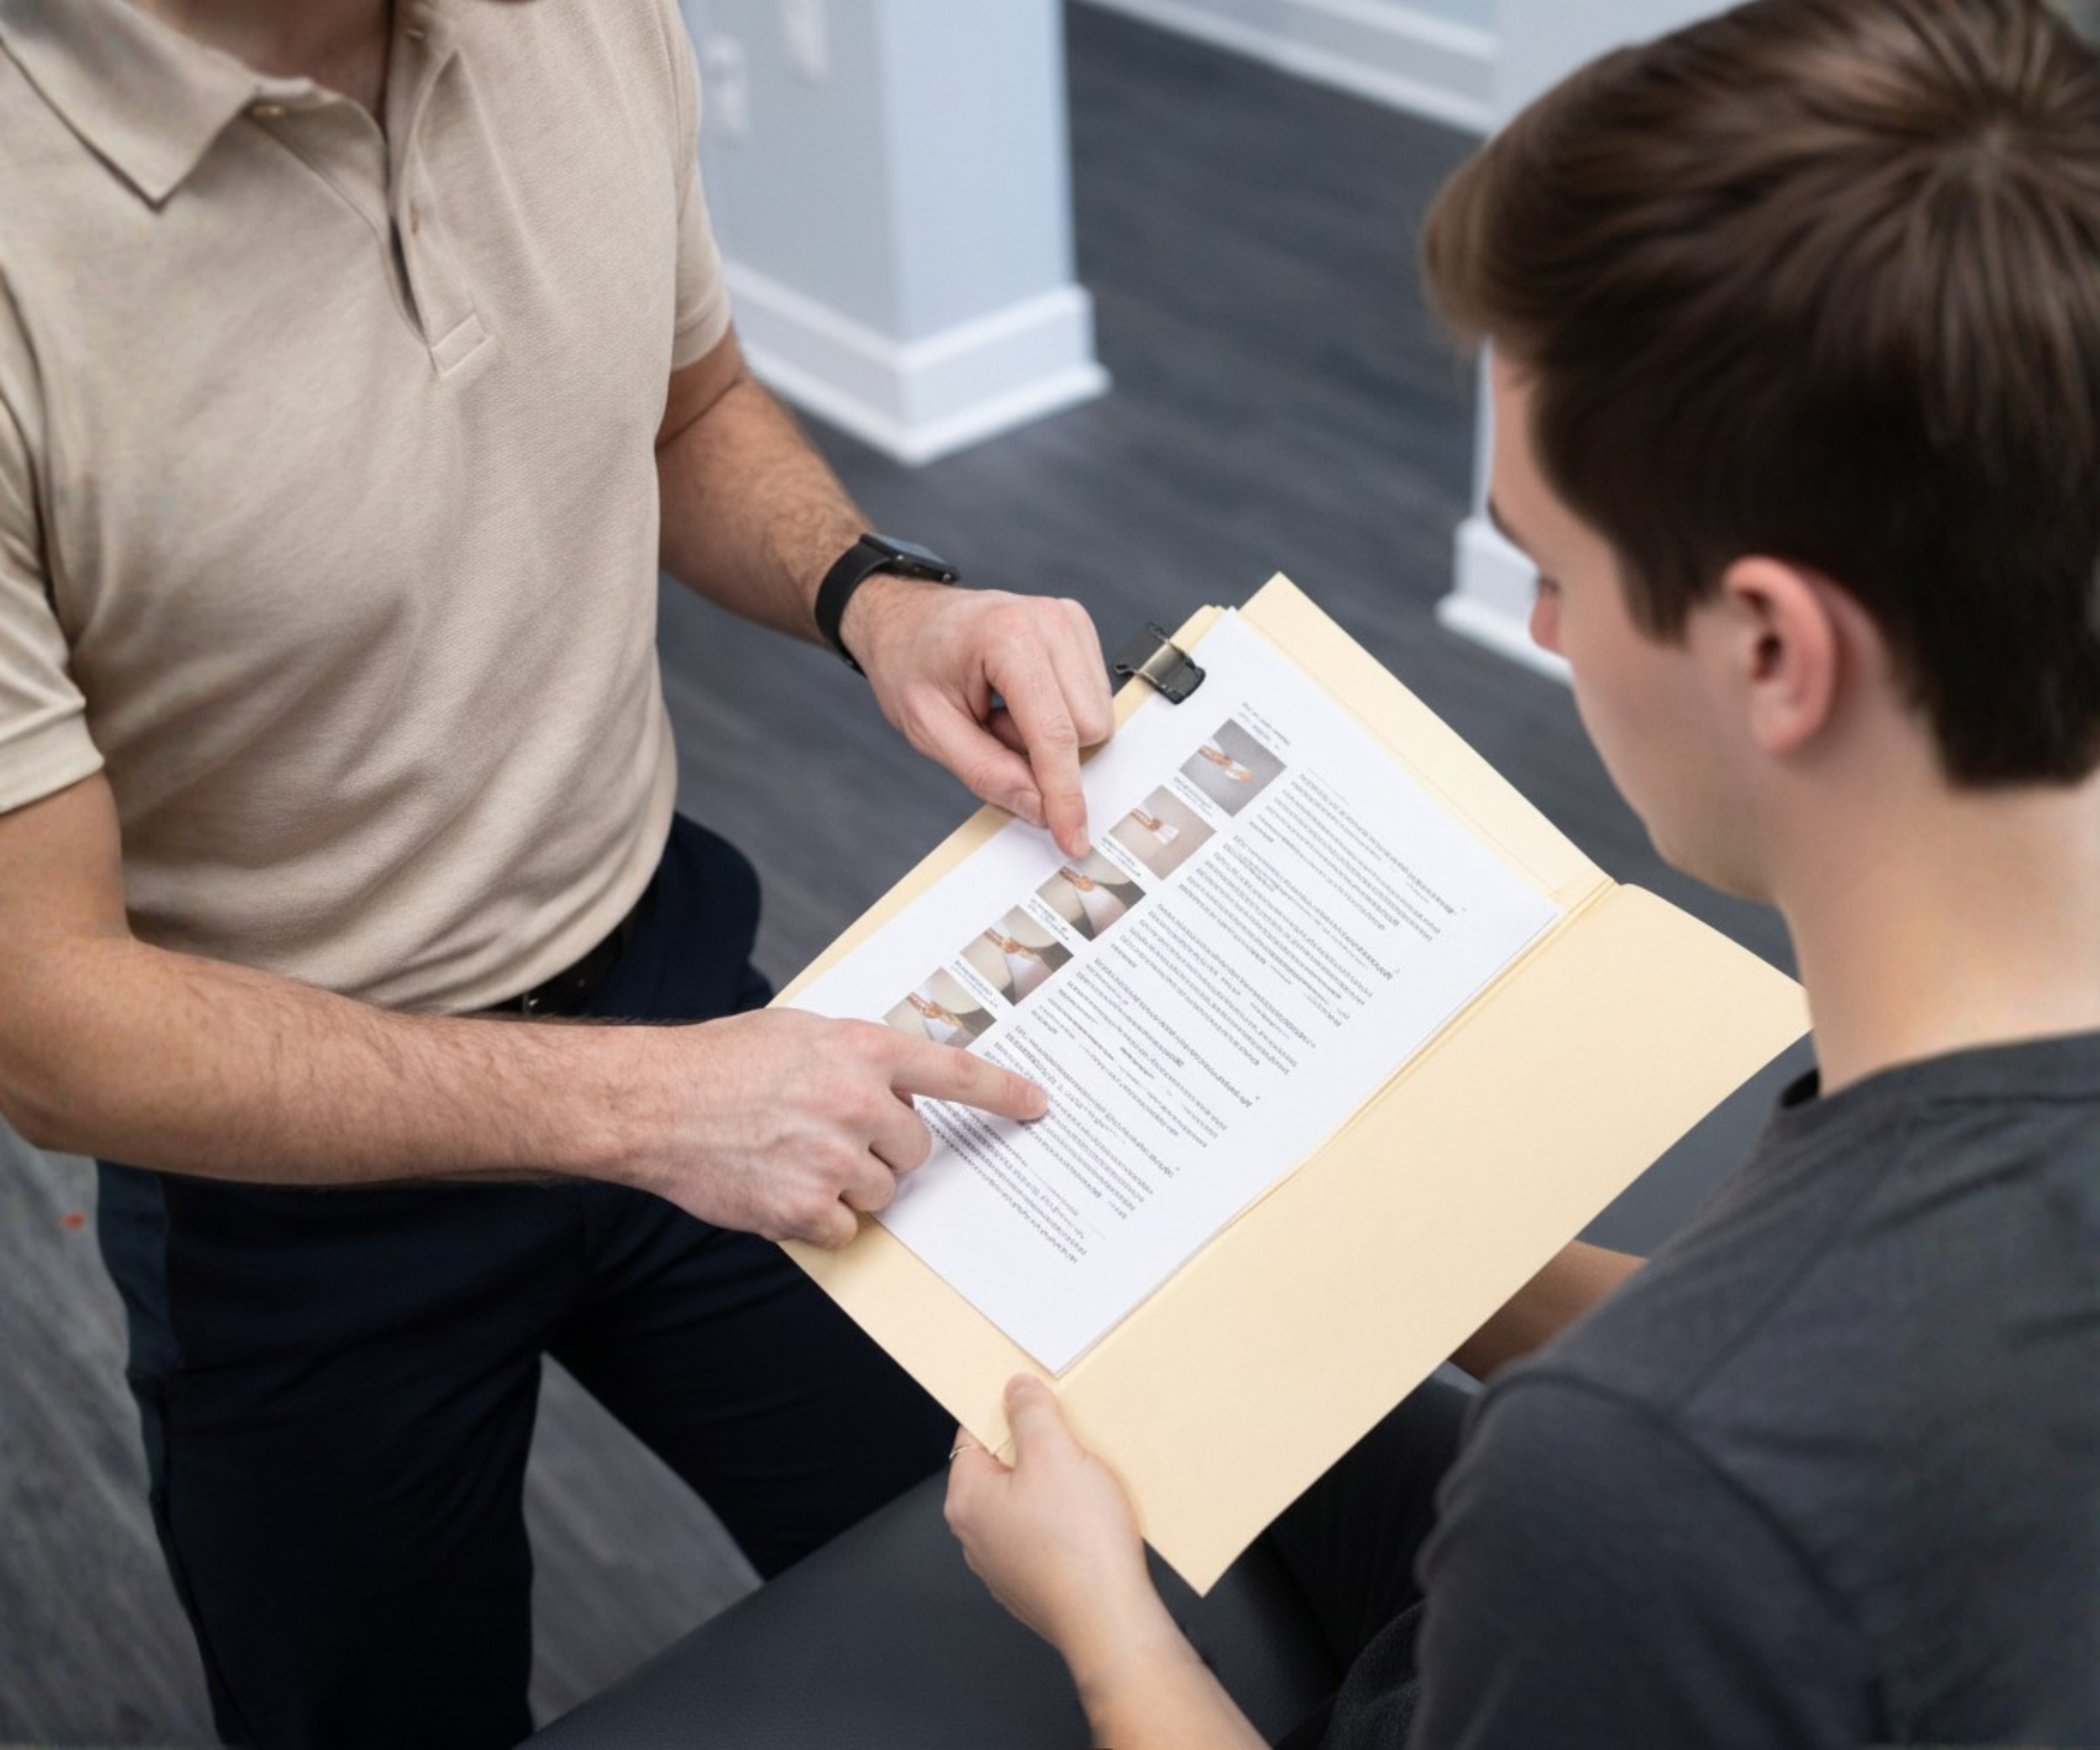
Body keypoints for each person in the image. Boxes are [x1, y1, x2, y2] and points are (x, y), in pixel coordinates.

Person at [944, 0, 2100, 1744]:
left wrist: (1105, 1631)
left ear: (1774, 648)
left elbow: (1727, 1451)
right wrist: (1472, 1267)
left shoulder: (1629, 1494)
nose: (1543, 630)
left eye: (1545, 568)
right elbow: (1903, 1407)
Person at [0, 0, 1112, 1744]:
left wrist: (880, 593)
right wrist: (634, 1111)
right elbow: (43, 1019)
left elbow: (691, 409)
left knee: (1017, 1596)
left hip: (675, 979)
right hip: (293, 1166)